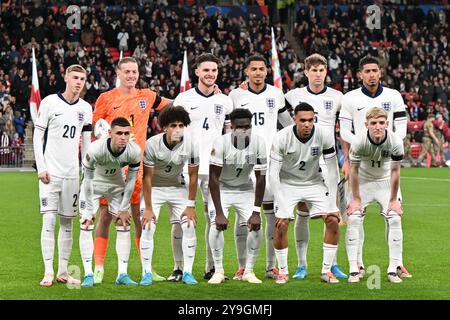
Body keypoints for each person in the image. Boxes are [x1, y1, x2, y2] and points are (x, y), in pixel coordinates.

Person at [92, 57, 170, 284]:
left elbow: (173, 103)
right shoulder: (106, 98)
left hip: (138, 166)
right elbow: (97, 129)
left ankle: (148, 268)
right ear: (118, 72)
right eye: (126, 71)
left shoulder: (146, 96)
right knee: (106, 217)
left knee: (139, 218)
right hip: (112, 167)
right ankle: (98, 268)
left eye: (134, 71)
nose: (131, 75)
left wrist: (207, 92)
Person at [339, 56, 411, 279]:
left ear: (380, 72)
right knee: (354, 216)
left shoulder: (394, 96)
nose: (371, 74)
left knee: (394, 215)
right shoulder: (350, 98)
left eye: (375, 70)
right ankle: (357, 264)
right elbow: (344, 132)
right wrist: (367, 143)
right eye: (367, 71)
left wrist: (385, 143)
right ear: (360, 74)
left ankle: (396, 265)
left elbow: (401, 128)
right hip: (362, 163)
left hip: (385, 166)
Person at [228, 54, 293, 281]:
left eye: (261, 69)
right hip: (243, 164)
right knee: (243, 217)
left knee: (271, 216)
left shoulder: (277, 94)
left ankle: (270, 266)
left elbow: (289, 126)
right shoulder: (235, 95)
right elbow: (227, 127)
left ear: (267, 71)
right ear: (246, 71)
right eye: (253, 69)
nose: (257, 72)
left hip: (271, 164)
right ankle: (242, 266)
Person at [284, 53, 346, 280]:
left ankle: (334, 263)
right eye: (314, 70)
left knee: (332, 213)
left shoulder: (337, 97)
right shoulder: (293, 95)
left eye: (322, 70)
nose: (318, 74)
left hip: (328, 161)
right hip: (303, 162)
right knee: (302, 212)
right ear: (306, 72)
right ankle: (302, 265)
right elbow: (276, 112)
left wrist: (346, 158)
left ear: (326, 72)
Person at [173, 53, 233, 280]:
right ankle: (179, 268)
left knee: (213, 218)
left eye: (214, 70)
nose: (210, 74)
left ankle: (211, 268)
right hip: (187, 167)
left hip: (215, 169)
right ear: (196, 72)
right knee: (182, 218)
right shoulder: (183, 99)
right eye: (206, 70)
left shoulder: (225, 101)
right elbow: (175, 134)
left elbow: (228, 135)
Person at [33, 64, 92, 286]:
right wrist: (41, 167)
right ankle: (48, 271)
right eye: (75, 77)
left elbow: (86, 144)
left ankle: (63, 271)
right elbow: (38, 137)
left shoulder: (86, 108)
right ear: (66, 77)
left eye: (82, 79)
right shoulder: (49, 102)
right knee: (48, 220)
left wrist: (87, 173)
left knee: (68, 223)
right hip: (50, 174)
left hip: (72, 175)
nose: (79, 82)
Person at [270, 103, 341, 284]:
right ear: (294, 120)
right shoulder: (281, 137)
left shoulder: (323, 135)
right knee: (281, 224)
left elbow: (333, 171)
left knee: (333, 220)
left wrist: (333, 204)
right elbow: (273, 174)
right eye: (303, 120)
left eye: (311, 120)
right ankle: (283, 272)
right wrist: (281, 204)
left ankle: (326, 271)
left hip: (314, 183)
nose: (307, 124)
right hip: (287, 184)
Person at [140, 106, 199, 285]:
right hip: (155, 188)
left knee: (189, 224)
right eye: (173, 125)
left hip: (177, 186)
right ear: (164, 127)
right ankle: (146, 273)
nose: (177, 129)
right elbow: (147, 177)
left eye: (181, 125)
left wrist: (190, 205)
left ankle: (187, 272)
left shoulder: (191, 143)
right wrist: (149, 208)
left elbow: (194, 175)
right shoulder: (152, 144)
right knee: (148, 225)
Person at [346, 107, 407, 283]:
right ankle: (354, 268)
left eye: (381, 123)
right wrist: (356, 199)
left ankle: (393, 269)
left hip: (386, 181)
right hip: (363, 181)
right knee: (354, 218)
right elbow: (354, 171)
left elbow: (395, 171)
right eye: (373, 123)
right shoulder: (359, 142)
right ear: (366, 125)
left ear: (387, 124)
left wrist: (394, 200)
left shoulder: (395, 141)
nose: (378, 127)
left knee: (395, 217)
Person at [79, 117, 141, 287]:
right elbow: (88, 180)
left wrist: (124, 208)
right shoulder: (96, 149)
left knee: (123, 223)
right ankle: (88, 274)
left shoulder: (134, 151)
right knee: (86, 222)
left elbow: (131, 180)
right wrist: (90, 209)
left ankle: (122, 273)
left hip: (116, 185)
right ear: (110, 133)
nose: (123, 137)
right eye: (119, 133)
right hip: (93, 185)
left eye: (126, 133)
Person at [208, 108, 266, 284]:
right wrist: (219, 212)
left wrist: (256, 211)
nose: (244, 130)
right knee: (215, 225)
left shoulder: (259, 142)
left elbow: (261, 178)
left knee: (257, 226)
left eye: (248, 127)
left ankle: (248, 271)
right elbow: (213, 178)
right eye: (240, 127)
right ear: (231, 127)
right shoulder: (221, 142)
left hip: (245, 189)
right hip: (222, 189)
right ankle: (218, 271)